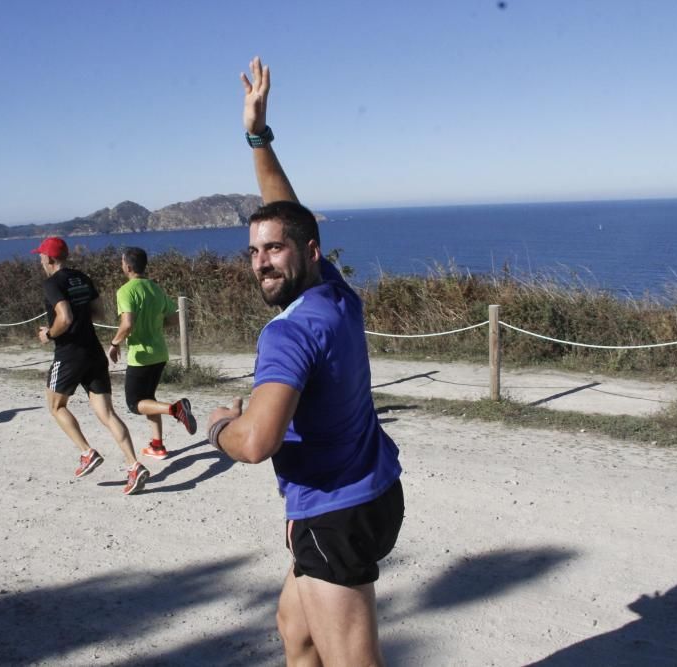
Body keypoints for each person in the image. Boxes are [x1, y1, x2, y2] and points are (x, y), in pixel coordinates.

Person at [206, 57, 404, 666]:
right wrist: (258, 136)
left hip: (333, 512)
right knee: (296, 630)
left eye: (274, 251)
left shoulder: (288, 334)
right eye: (253, 252)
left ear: (307, 253)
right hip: (372, 489)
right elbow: (288, 214)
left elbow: (259, 440)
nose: (262, 262)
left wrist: (218, 427)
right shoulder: (332, 292)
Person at [32, 236, 149, 495]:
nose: (40, 259)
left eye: (41, 255)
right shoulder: (82, 278)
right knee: (107, 414)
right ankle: (134, 465)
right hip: (94, 352)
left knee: (55, 406)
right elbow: (99, 313)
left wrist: (49, 334)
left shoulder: (52, 283)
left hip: (70, 354)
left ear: (49, 259)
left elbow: (65, 317)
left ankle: (87, 452)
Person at [107, 246, 197, 460]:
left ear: (127, 266)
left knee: (134, 404)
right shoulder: (156, 289)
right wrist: (155, 326)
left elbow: (127, 324)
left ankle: (176, 409)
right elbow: (175, 318)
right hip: (160, 353)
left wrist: (114, 343)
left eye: (122, 263)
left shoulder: (126, 291)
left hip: (141, 357)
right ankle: (157, 446)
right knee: (149, 399)